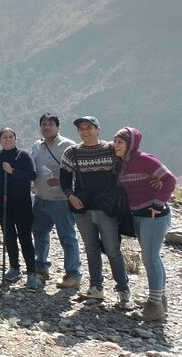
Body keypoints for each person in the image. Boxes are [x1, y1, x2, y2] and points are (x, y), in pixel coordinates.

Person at [60, 116, 132, 308]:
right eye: (81, 129)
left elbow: (127, 166)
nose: (85, 131)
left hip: (106, 210)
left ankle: (123, 290)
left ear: (98, 129)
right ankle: (96, 288)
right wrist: (69, 195)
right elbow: (64, 178)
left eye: (89, 128)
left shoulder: (111, 149)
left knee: (112, 250)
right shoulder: (72, 152)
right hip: (81, 208)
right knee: (91, 248)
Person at [113, 127, 177, 321]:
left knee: (149, 258)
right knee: (152, 257)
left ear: (131, 144)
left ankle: (154, 305)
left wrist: (158, 203)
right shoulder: (122, 164)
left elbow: (169, 179)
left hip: (154, 215)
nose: (116, 145)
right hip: (139, 215)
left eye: (120, 142)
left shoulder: (144, 159)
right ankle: (159, 299)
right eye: (115, 141)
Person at [30, 113, 82, 289]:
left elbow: (79, 172)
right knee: (39, 233)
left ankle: (73, 274)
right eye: (43, 124)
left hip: (61, 200)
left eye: (50, 124)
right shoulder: (37, 146)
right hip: (40, 198)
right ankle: (41, 266)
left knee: (67, 237)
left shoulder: (68, 146)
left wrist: (61, 181)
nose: (46, 127)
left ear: (57, 127)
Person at [0, 128, 38, 290]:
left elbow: (32, 175)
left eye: (11, 136)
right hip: (2, 204)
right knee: (9, 237)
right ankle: (14, 268)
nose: (8, 139)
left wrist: (13, 171)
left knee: (25, 238)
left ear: (15, 138)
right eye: (4, 137)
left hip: (22, 204)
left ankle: (32, 272)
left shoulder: (23, 155)